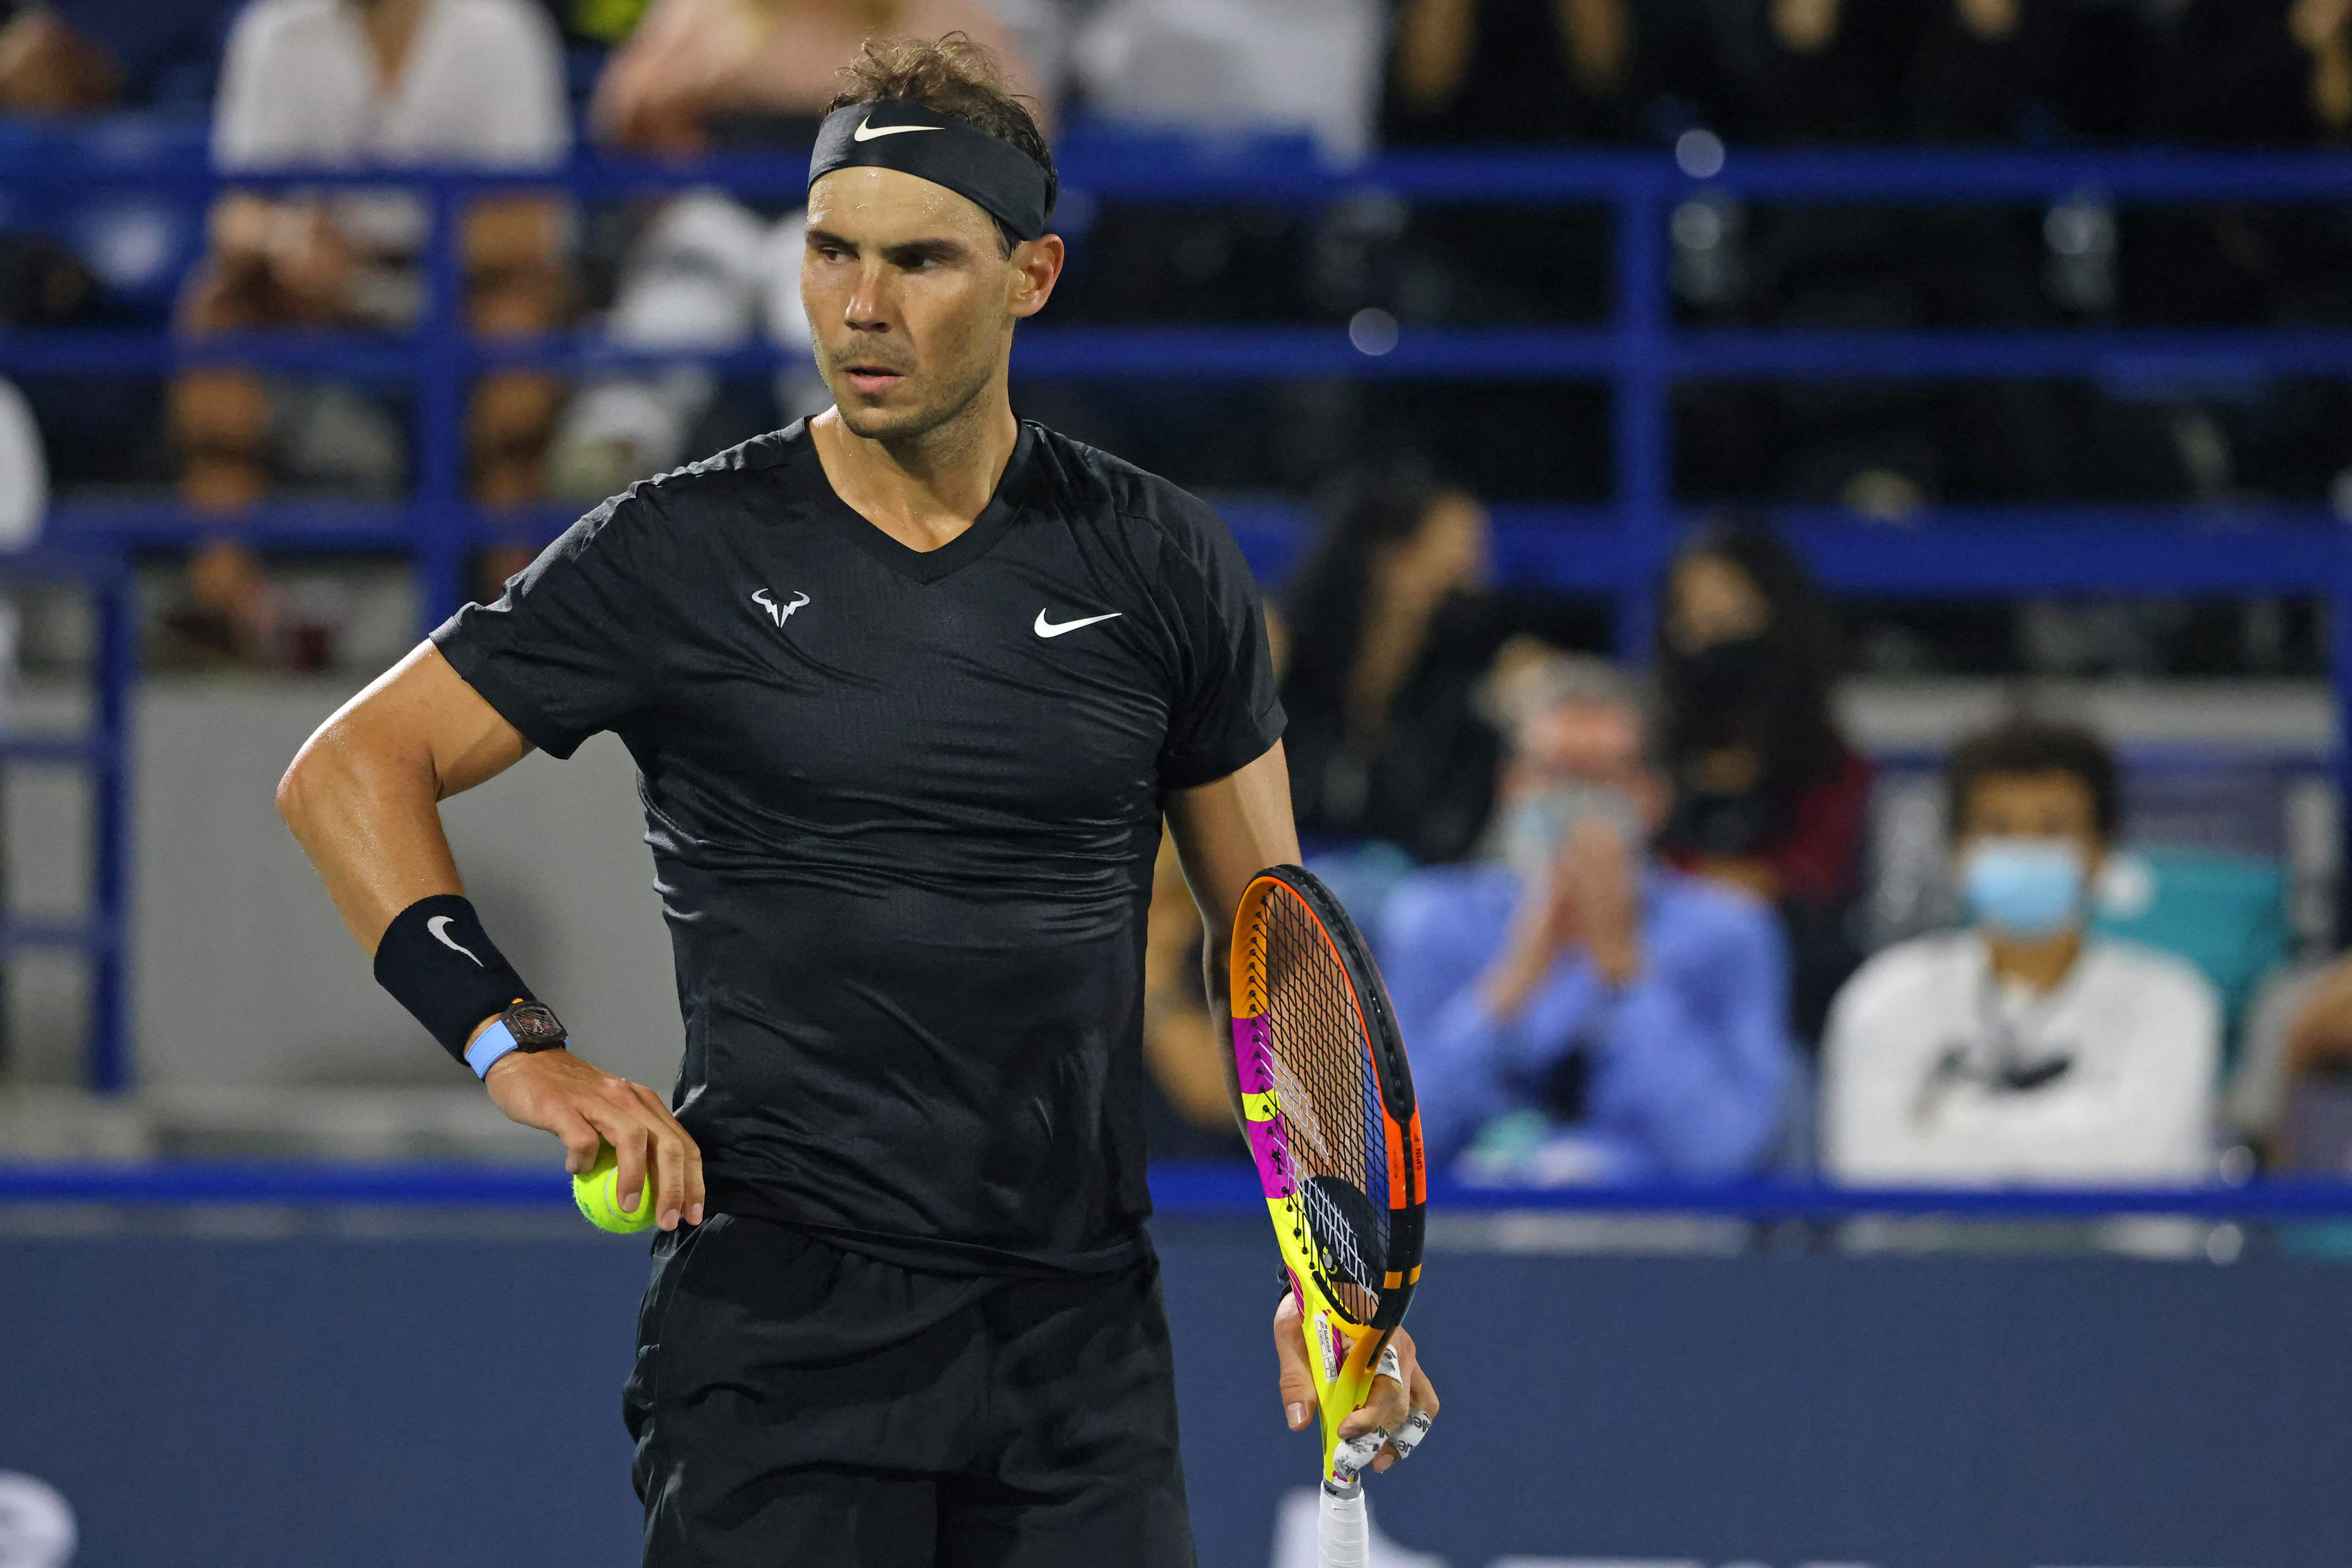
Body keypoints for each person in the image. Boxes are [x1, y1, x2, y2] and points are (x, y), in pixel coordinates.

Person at [274, 36, 1438, 1564]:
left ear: (1033, 276)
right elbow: (350, 768)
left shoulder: (1162, 564)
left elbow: (1280, 953)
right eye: (830, 252)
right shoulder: (679, 550)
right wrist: (515, 1050)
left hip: (1076, 1349)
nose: (862, 306)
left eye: (919, 260)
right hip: (778, 1345)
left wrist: (1337, 1294)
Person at [168, 0, 572, 661]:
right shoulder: (273, 32)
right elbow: (235, 210)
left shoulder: (503, 31)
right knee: (215, 308)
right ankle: (223, 601)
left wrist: (397, 244)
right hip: (319, 287)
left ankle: (512, 599)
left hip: (463, 283)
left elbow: (529, 224)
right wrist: (284, 238)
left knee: (519, 321)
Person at [1382, 651, 1795, 1181]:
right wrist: (1509, 988)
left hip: (1665, 1244)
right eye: (1555, 774)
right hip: (1469, 1241)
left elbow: (1725, 1151)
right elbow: (1389, 1151)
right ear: (1513, 786)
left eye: (1599, 778)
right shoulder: (1432, 922)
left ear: (1650, 798)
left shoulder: (1730, 933)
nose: (1575, 803)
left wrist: (1626, 974)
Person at [1821, 718, 2220, 1185]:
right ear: (1957, 849)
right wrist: (2080, 1122)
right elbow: (1873, 1169)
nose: (2025, 848)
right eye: (1998, 828)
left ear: (2101, 850)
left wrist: (1954, 1122)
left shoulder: (2171, 1001)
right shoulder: (1885, 996)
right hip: (1932, 1259)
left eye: (2053, 829)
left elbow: (2139, 1166)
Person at [1280, 455, 1595, 873]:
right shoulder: (1286, 660)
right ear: (1388, 560)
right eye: (1459, 550)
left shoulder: (1479, 671)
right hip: (1291, 883)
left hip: (1422, 888)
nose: (1476, 573)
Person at [1653, 523, 1870, 1048]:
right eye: (1689, 613)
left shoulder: (1830, 765)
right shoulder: (1651, 758)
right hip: (1661, 997)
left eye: (1727, 609)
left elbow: (1814, 882)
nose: (1704, 632)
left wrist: (1691, 887)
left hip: (1792, 1003)